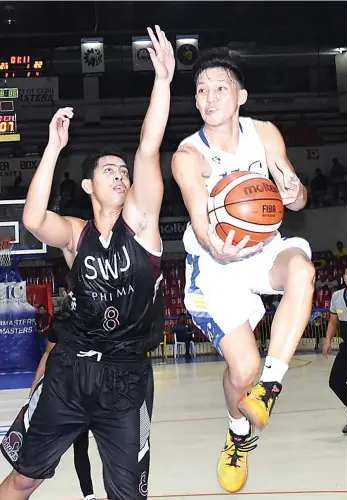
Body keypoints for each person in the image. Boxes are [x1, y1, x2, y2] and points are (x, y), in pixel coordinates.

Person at [0, 25, 175, 500]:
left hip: (126, 379)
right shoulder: (76, 236)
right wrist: (54, 148)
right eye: (108, 170)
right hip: (70, 372)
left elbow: (147, 147)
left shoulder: (141, 225)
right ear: (89, 186)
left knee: (126, 495)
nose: (120, 175)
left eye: (123, 171)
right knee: (25, 478)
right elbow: (34, 218)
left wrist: (162, 82)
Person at [172, 48, 315, 493]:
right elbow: (199, 217)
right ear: (195, 102)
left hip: (263, 249)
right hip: (215, 266)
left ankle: (270, 388)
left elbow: (295, 196)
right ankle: (237, 438)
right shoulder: (187, 155)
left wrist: (293, 192)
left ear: (241, 96)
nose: (209, 97)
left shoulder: (265, 134)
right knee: (243, 368)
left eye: (219, 88)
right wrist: (218, 244)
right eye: (201, 90)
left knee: (304, 272)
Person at [29, 278, 96, 500]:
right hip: (66, 390)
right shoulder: (61, 320)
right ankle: (88, 495)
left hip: (92, 388)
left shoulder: (96, 317)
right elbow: (48, 355)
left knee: (95, 444)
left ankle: (96, 493)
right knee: (77, 444)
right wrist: (35, 386)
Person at [323, 265, 347, 435]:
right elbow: (334, 321)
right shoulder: (337, 297)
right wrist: (328, 340)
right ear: (344, 276)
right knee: (335, 382)